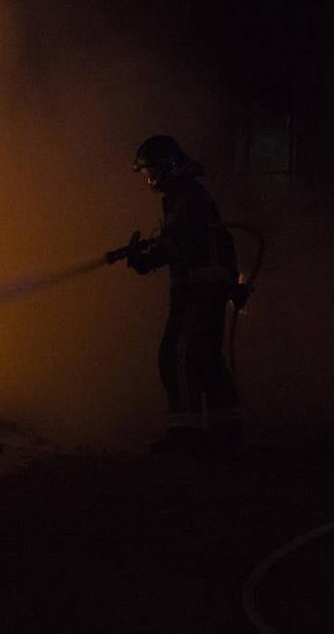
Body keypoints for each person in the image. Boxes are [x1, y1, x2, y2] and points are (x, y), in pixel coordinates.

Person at [123, 135, 242, 456]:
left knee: (177, 353)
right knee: (206, 356)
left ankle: (185, 433)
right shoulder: (188, 196)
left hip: (199, 290)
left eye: (150, 173)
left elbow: (180, 243)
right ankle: (227, 429)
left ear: (165, 169)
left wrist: (147, 259)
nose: (148, 181)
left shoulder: (186, 198)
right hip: (204, 288)